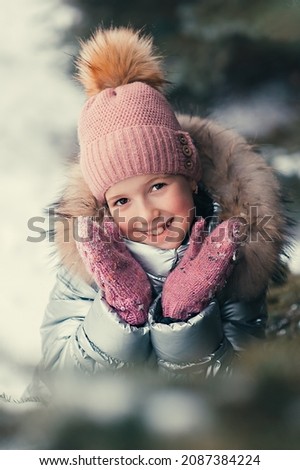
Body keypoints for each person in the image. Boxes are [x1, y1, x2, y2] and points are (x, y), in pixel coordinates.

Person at [36, 27, 289, 386]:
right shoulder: (89, 265)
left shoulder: (231, 259)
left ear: (191, 178)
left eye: (158, 186)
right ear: (104, 207)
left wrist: (185, 317)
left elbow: (240, 389)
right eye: (121, 200)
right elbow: (58, 382)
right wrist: (120, 311)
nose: (147, 214)